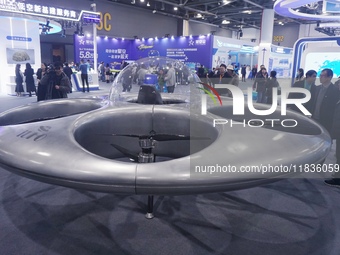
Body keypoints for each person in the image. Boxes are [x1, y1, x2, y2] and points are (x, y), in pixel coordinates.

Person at [310, 68, 340, 133]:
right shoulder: (317, 88)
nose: (320, 77)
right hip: (314, 119)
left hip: (326, 121)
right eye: (320, 75)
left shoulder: (335, 91)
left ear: (329, 77)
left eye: (323, 76)